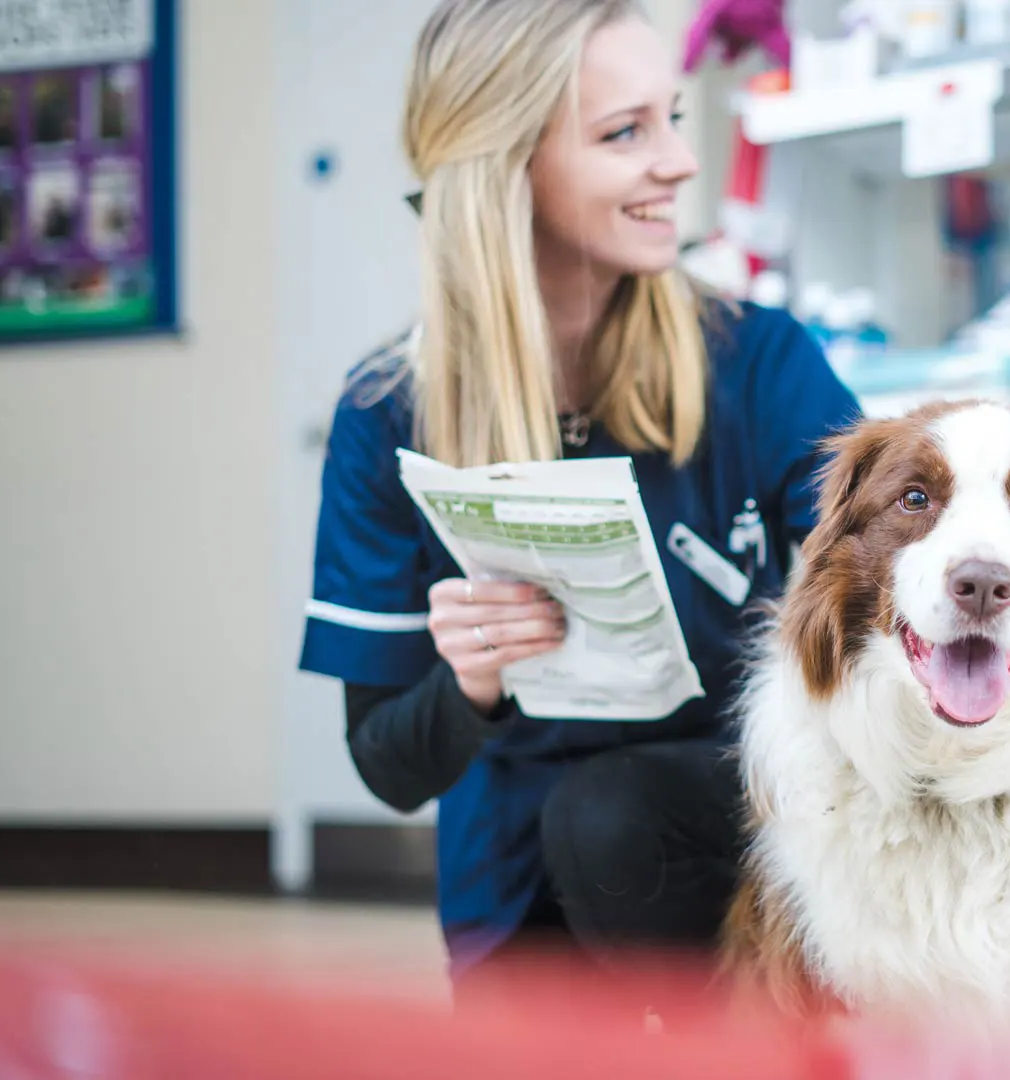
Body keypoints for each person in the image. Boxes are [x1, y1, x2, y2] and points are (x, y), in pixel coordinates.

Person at [297, 0, 859, 994]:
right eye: (624, 133)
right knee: (581, 841)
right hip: (515, 876)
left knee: (614, 814)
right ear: (508, 169)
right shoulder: (389, 413)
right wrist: (469, 681)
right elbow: (388, 764)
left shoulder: (759, 361)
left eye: (672, 118)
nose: (680, 164)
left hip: (737, 840)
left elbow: (881, 592)